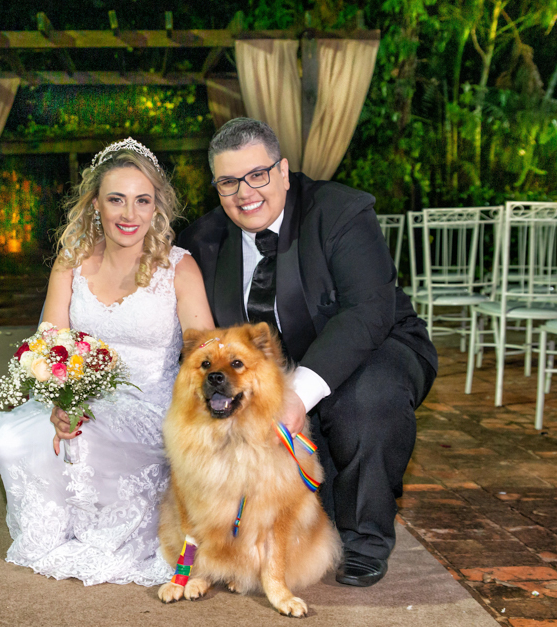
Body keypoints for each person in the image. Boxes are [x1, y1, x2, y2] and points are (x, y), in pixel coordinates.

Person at [177, 118, 438, 587]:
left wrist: (297, 394)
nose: (244, 193)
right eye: (228, 182)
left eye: (257, 175)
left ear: (283, 170)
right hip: (265, 372)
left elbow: (368, 309)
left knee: (366, 401)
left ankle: (364, 540)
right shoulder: (202, 240)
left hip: (374, 347)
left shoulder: (339, 211)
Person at [0, 138, 214, 586]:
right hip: (81, 395)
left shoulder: (179, 268)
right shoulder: (71, 263)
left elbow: (205, 353)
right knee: (12, 439)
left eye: (142, 200)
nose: (129, 214)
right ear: (95, 203)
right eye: (116, 199)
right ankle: (59, 528)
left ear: (156, 207)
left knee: (87, 437)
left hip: (152, 407)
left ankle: (107, 535)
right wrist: (58, 401)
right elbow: (49, 344)